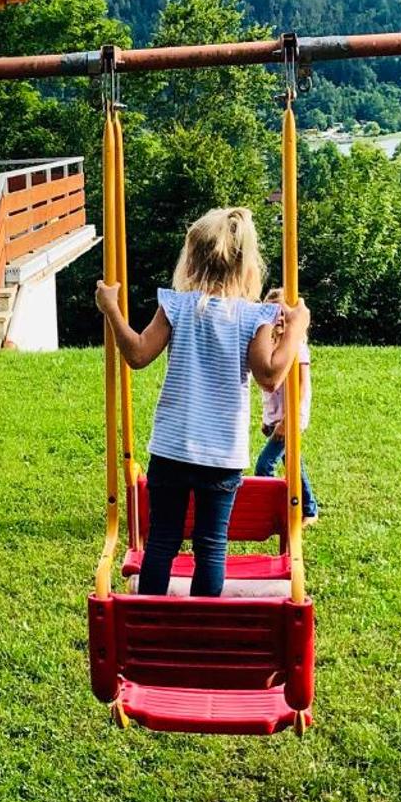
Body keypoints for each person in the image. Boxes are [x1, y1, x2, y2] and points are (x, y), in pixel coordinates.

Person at [96, 206, 308, 598]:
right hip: (221, 453)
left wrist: (111, 309)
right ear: (246, 265)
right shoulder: (252, 316)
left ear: (191, 259)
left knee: (162, 540)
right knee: (212, 544)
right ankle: (202, 620)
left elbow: (138, 354)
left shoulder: (176, 306)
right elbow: (270, 375)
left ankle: (151, 620)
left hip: (172, 446)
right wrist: (296, 329)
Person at [256, 289, 317, 522]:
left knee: (264, 466)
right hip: (276, 420)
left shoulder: (297, 347)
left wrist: (286, 422)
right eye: (273, 313)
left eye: (283, 313)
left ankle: (272, 511)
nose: (279, 318)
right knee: (293, 463)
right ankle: (309, 510)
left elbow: (300, 387)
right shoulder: (271, 348)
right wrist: (268, 419)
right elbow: (270, 391)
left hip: (290, 420)